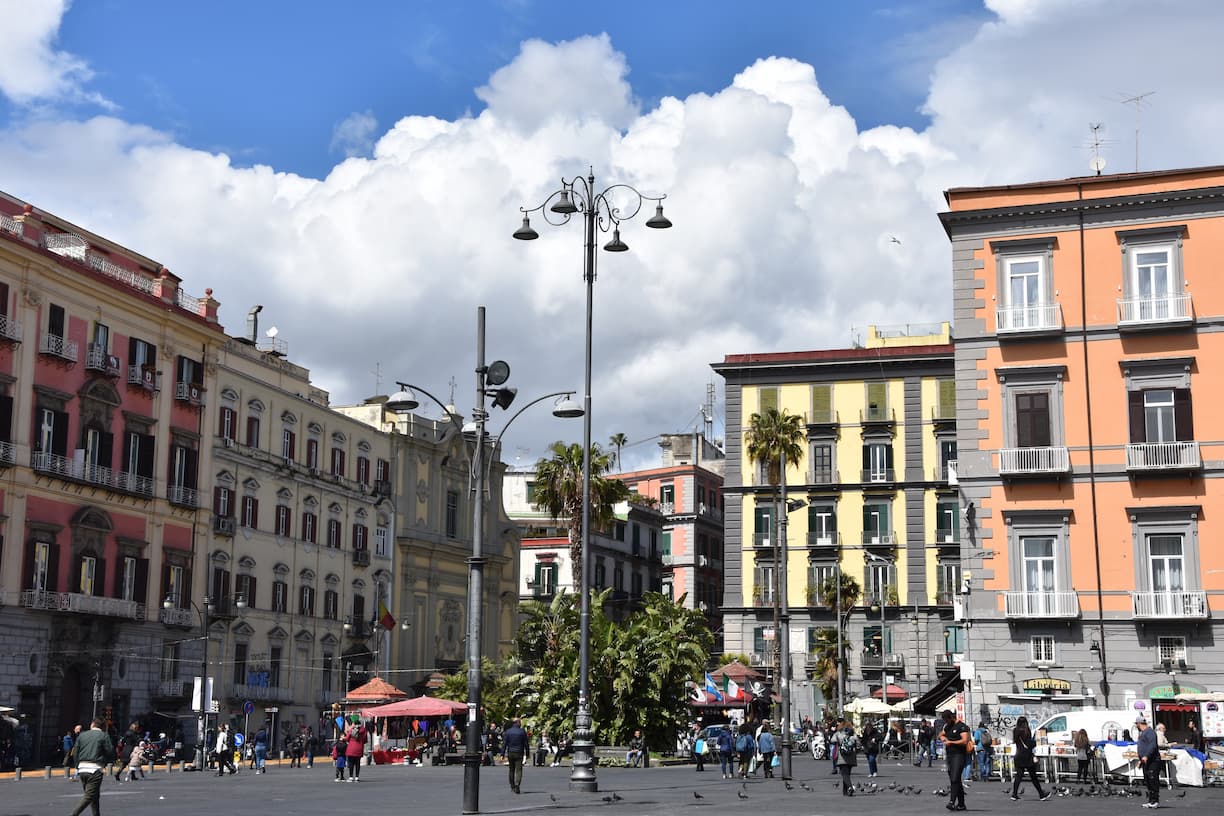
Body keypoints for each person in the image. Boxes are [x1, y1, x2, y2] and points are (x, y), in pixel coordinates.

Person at [70, 718, 116, 816]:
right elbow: (110, 751)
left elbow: (76, 752)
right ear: (102, 726)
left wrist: (77, 765)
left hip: (82, 768)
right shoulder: (104, 736)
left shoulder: (82, 735)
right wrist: (107, 761)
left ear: (92, 724)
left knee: (94, 795)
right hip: (95, 768)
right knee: (89, 796)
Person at [1009, 716, 1051, 801]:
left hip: (1018, 756)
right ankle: (1041, 794)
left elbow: (1018, 742)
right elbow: (1029, 744)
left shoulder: (1015, 731)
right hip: (1027, 757)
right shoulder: (1026, 730)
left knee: (1018, 776)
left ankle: (1014, 794)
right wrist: (1035, 742)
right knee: (1033, 776)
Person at [940, 709, 971, 812]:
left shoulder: (961, 726)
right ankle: (961, 804)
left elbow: (965, 740)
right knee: (956, 780)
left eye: (947, 720)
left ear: (951, 717)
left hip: (959, 755)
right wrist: (943, 739)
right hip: (950, 756)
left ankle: (952, 802)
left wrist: (951, 742)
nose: (946, 722)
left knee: (954, 778)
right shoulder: (947, 726)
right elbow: (941, 734)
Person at [1135, 716, 1161, 809]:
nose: (1136, 726)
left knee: (1153, 780)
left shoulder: (1150, 732)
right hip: (1146, 761)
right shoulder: (1143, 733)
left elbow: (1152, 746)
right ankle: (1151, 800)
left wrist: (1146, 755)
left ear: (1139, 724)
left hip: (1153, 760)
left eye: (1136, 724)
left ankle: (1155, 800)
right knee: (1148, 781)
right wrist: (1141, 760)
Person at [503, 716, 528, 794]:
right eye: (520, 722)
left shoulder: (508, 731)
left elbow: (504, 744)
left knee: (511, 770)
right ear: (517, 723)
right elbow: (526, 743)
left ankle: (512, 785)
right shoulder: (522, 731)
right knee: (519, 770)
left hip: (510, 752)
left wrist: (502, 754)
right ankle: (517, 785)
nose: (521, 724)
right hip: (519, 752)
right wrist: (527, 753)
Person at [834, 723, 859, 795]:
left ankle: (850, 787)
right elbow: (859, 745)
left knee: (844, 774)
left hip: (842, 757)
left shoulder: (839, 734)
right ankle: (845, 791)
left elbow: (832, 740)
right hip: (851, 757)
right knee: (847, 774)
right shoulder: (854, 736)